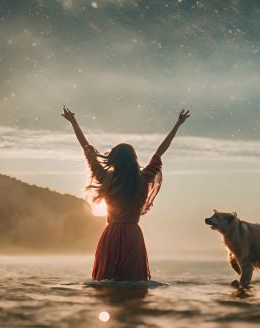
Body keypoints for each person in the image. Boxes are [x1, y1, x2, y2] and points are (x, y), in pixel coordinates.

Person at [61, 106, 191, 281]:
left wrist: (73, 122)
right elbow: (159, 152)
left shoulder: (106, 178)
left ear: (113, 159)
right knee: (134, 281)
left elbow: (86, 148)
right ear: (134, 160)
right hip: (133, 235)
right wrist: (177, 124)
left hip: (111, 234)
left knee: (107, 281)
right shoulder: (144, 179)